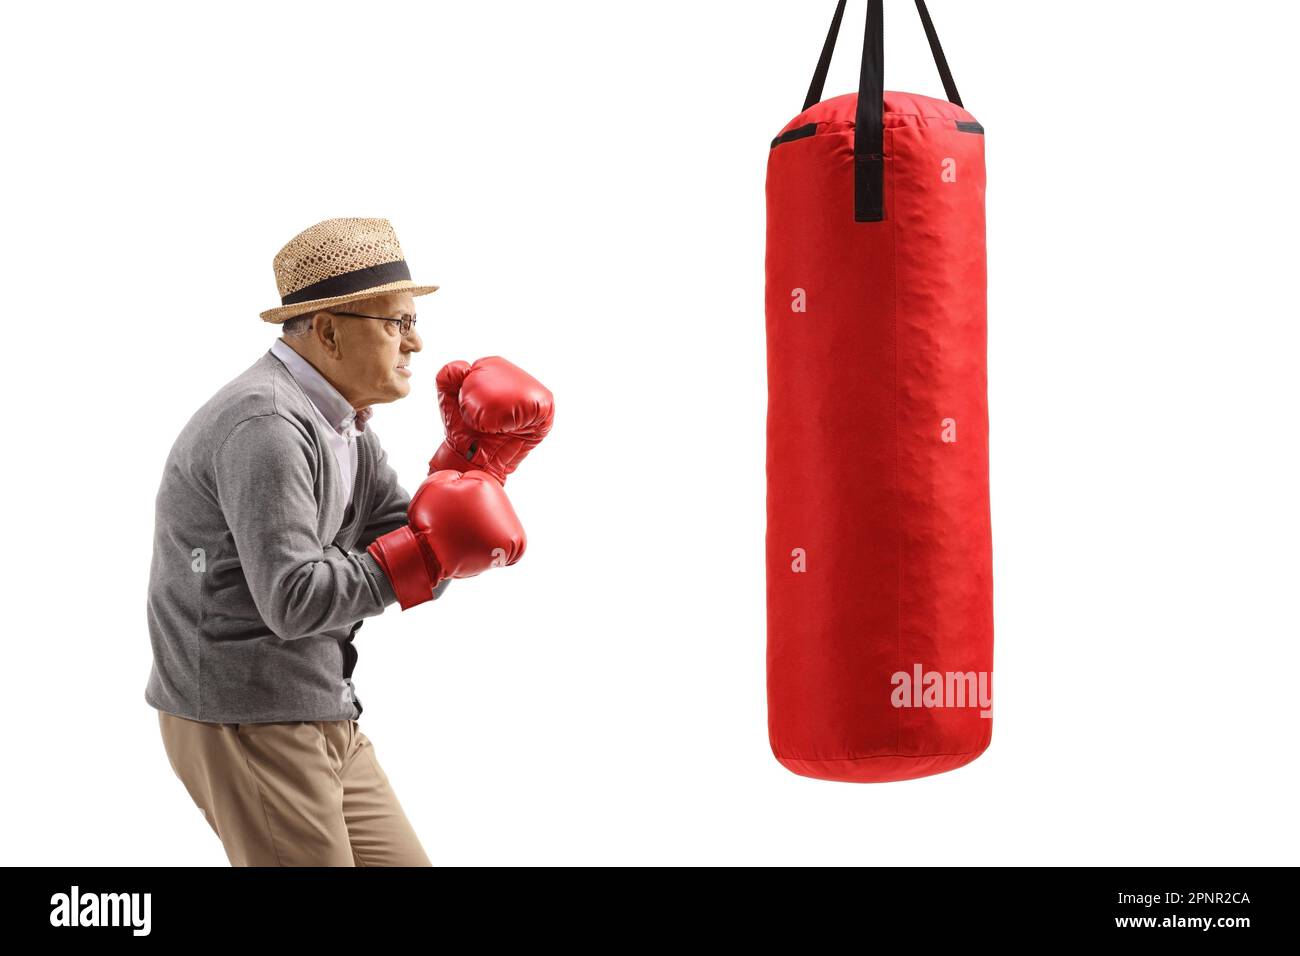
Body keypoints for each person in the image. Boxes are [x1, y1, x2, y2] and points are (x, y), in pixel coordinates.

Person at [143, 217, 554, 865]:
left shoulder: (343, 421)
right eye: (395, 323)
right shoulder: (268, 424)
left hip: (322, 705)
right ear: (330, 330)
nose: (416, 343)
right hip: (248, 716)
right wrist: (425, 551)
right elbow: (295, 599)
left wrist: (471, 467)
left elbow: (413, 550)